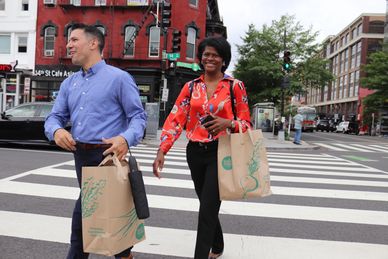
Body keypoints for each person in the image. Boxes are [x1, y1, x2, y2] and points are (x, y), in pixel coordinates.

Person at [44, 23, 146, 259]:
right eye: (69, 41)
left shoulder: (119, 78)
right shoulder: (69, 83)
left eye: (74, 40)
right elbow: (54, 117)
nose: (68, 45)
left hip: (108, 158)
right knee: (101, 223)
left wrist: (124, 138)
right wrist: (56, 131)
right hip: (81, 156)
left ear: (93, 43)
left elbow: (138, 117)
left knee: (87, 227)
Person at [152, 37, 251, 259]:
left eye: (215, 54)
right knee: (206, 203)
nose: (210, 58)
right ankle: (217, 245)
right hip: (195, 153)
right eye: (206, 54)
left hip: (222, 152)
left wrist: (229, 123)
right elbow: (176, 118)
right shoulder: (191, 87)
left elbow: (247, 125)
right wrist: (162, 151)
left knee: (207, 208)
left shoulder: (235, 86)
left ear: (223, 59)